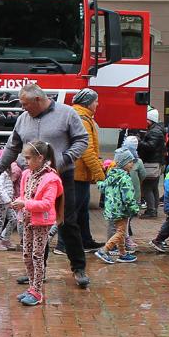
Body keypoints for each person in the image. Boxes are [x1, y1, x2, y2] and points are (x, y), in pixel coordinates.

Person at [0, 84, 91, 288]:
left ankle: (78, 268)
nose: (23, 108)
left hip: (60, 176)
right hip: (31, 179)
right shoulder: (23, 119)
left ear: (38, 100)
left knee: (67, 221)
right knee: (33, 223)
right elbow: (12, 146)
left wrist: (64, 160)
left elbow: (82, 140)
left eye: (25, 104)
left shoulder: (67, 113)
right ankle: (37, 272)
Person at [12, 141, 63, 306]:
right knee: (27, 255)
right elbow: (23, 195)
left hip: (41, 223)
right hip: (27, 220)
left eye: (28, 158)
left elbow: (47, 204)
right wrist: (18, 202)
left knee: (37, 256)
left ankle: (37, 292)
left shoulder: (51, 179)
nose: (25, 162)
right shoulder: (27, 174)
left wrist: (24, 204)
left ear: (40, 158)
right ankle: (32, 288)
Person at [59, 88, 105, 255]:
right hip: (76, 174)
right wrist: (100, 174)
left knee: (82, 210)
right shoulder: (83, 119)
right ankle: (62, 244)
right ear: (88, 102)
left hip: (80, 174)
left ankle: (86, 240)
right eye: (95, 101)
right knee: (72, 210)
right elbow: (87, 150)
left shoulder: (81, 116)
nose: (97, 104)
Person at [95, 148, 140, 264]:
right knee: (120, 232)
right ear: (123, 163)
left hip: (112, 209)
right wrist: (134, 208)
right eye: (130, 162)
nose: (132, 164)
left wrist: (98, 182)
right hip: (122, 210)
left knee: (121, 230)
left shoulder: (111, 175)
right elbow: (128, 197)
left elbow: (103, 187)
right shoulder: (125, 178)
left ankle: (122, 253)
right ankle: (103, 250)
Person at [138, 108, 167, 218]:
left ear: (150, 120)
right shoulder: (158, 130)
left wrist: (139, 142)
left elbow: (150, 147)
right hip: (156, 162)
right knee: (153, 187)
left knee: (147, 187)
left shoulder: (154, 132)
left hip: (152, 163)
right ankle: (153, 209)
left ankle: (151, 210)